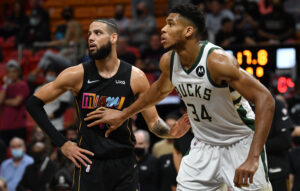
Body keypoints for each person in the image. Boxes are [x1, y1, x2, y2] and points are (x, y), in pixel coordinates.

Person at [86, 4, 275, 190]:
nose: (163, 29)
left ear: (188, 31)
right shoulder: (169, 61)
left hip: (239, 143)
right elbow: (157, 92)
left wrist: (252, 158)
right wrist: (122, 114)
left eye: (170, 24)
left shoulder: (218, 61)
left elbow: (266, 100)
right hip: (204, 145)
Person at [26, 18, 190, 191]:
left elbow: (153, 122)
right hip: (89, 162)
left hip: (124, 163)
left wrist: (170, 132)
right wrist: (63, 143)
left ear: (113, 38)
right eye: (89, 34)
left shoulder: (135, 77)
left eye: (97, 33)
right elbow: (33, 103)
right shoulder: (76, 74)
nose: (91, 38)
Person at [265, 97, 293, 191]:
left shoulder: (275, 103)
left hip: (275, 170)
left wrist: (255, 146)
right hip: (251, 172)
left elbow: (285, 140)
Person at [0, 60, 30, 146]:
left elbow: (16, 102)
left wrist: (4, 102)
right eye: (9, 72)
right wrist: (5, 85)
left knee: (20, 150)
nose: (12, 74)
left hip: (18, 125)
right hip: (5, 126)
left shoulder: (22, 85)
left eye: (14, 72)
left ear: (19, 72)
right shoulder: (5, 87)